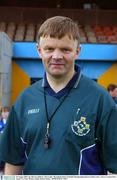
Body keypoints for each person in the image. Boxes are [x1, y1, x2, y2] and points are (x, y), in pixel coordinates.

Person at [0, 16, 117, 175]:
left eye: (65, 49)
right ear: (39, 50)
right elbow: (13, 161)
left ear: (77, 51)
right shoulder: (24, 100)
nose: (56, 56)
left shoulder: (101, 100)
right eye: (49, 49)